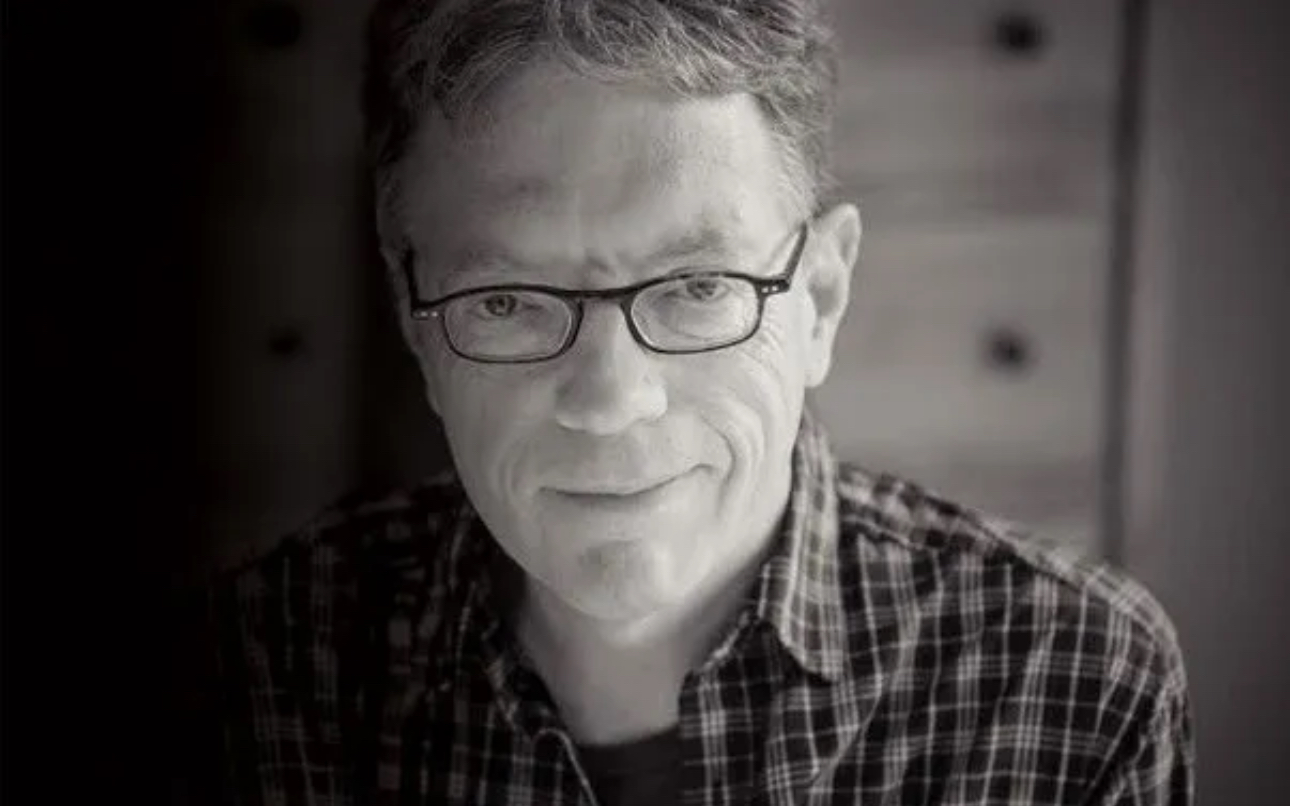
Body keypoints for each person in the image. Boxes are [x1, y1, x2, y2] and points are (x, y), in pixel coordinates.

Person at [206, 1, 1194, 803]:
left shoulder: (1071, 685)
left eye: (699, 286)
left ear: (820, 298)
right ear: (415, 323)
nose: (611, 400)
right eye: (504, 299)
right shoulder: (258, 669)